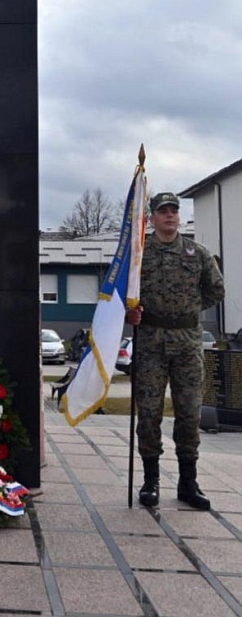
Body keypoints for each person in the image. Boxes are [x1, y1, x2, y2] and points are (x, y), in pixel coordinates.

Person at [126, 191, 225, 510]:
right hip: (151, 341)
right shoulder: (140, 254)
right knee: (150, 412)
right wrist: (131, 311)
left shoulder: (198, 253)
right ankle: (150, 481)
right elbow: (122, 293)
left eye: (174, 211)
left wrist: (190, 309)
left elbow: (216, 289)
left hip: (187, 343)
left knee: (189, 413)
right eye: (163, 211)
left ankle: (188, 482)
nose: (170, 215)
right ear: (152, 218)